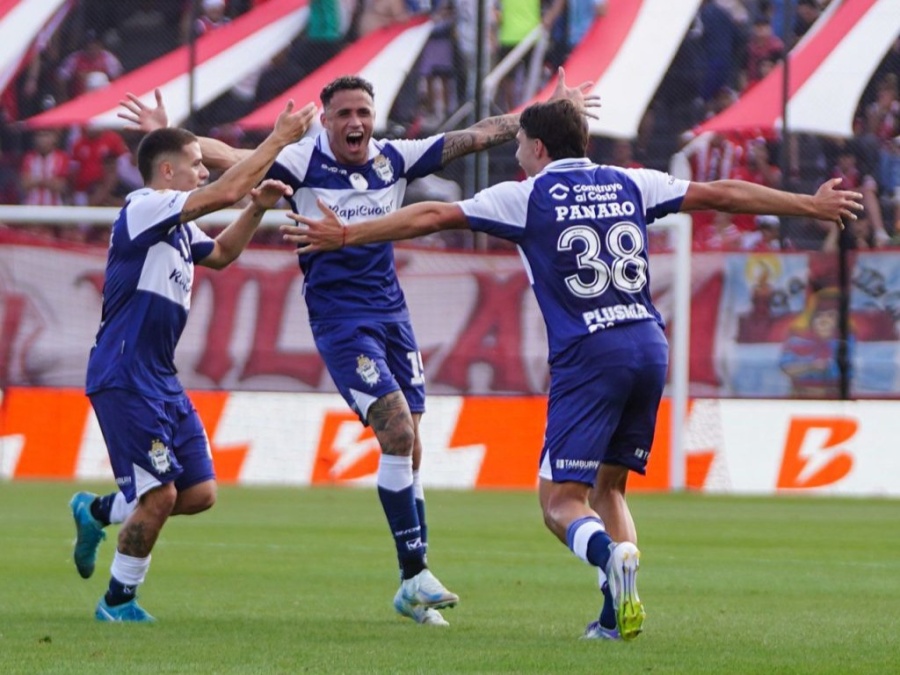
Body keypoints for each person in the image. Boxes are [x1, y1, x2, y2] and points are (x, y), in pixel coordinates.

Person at [281, 98, 864, 639]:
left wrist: (348, 233)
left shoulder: (526, 195)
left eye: (520, 145)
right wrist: (807, 205)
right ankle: (613, 617)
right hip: (649, 345)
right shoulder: (631, 181)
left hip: (590, 354)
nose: (517, 154)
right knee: (610, 488)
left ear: (537, 147)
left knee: (560, 503)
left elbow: (431, 215)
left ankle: (610, 558)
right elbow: (723, 195)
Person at [117, 70, 599, 627]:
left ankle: (412, 584)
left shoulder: (394, 158)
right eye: (344, 114)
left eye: (363, 113)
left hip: (393, 317)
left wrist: (546, 114)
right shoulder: (302, 160)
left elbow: (478, 135)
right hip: (340, 321)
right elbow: (232, 158)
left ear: (374, 117)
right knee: (396, 432)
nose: (355, 122)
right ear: (324, 120)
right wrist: (168, 136)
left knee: (411, 446)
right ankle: (415, 574)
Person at [69, 98, 316, 622]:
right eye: (196, 164)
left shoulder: (176, 227)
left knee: (199, 493)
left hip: (159, 377)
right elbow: (224, 191)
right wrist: (278, 139)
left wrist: (257, 208)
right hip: (125, 374)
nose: (204, 171)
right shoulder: (144, 207)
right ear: (166, 172)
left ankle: (97, 510)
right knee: (159, 496)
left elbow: (222, 255)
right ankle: (117, 602)